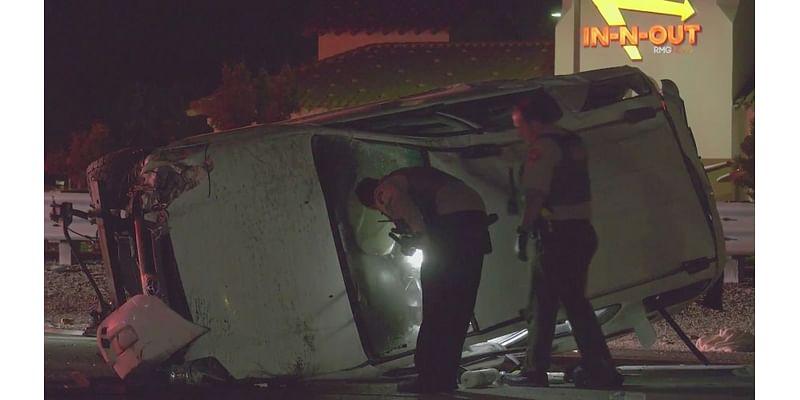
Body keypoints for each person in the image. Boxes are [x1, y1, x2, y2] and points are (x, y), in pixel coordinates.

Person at [505, 94, 623, 389]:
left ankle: (540, 371)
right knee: (567, 303)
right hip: (581, 232)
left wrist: (523, 230)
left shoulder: (542, 148)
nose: (519, 131)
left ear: (534, 121)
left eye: (519, 124)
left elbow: (536, 194)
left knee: (547, 304)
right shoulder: (572, 141)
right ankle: (595, 367)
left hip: (556, 236)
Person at [355, 166, 492, 393]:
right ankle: (446, 375)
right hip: (474, 220)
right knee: (460, 305)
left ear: (371, 200)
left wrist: (420, 237)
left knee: (436, 304)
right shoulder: (414, 177)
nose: (382, 212)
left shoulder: (383, 189)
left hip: (451, 223)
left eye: (378, 211)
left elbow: (402, 205)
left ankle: (428, 376)